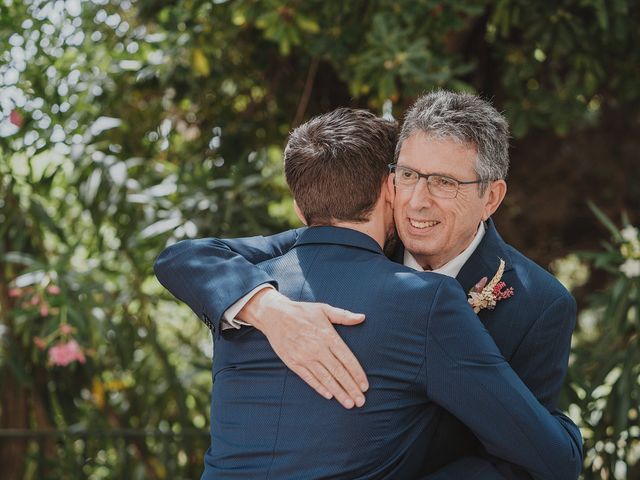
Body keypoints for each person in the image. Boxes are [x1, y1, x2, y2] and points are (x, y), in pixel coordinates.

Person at [155, 93, 583, 478]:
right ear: (388, 181)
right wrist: (269, 309)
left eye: (445, 182)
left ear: (490, 198)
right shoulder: (345, 241)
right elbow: (186, 257)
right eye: (409, 175)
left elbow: (525, 462)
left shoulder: (540, 304)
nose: (416, 200)